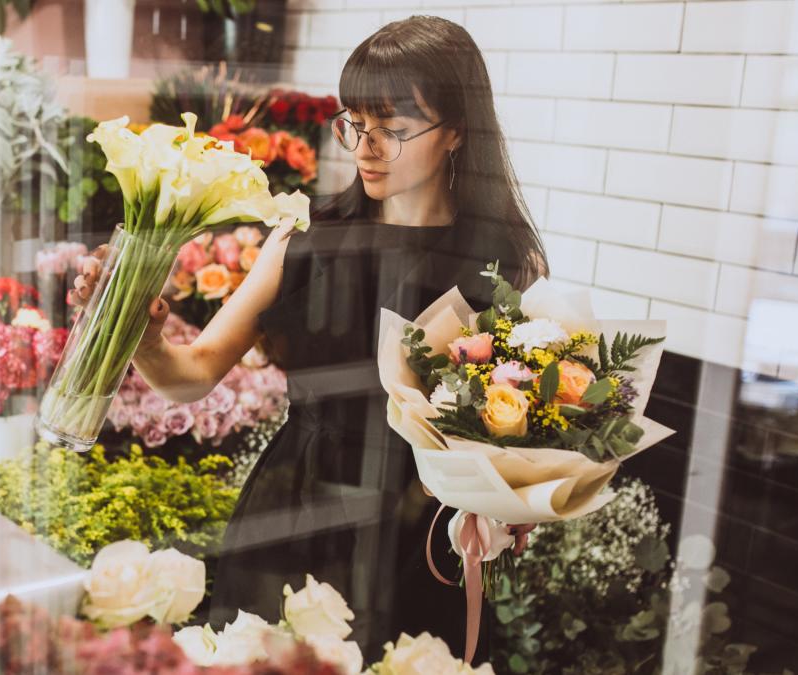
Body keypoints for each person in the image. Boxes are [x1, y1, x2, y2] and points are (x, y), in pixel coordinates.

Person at [71, 16, 548, 660]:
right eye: (354, 123)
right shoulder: (304, 234)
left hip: (419, 528)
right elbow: (193, 373)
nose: (365, 149)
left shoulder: (506, 262)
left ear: (458, 131)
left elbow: (518, 420)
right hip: (296, 510)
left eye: (393, 130)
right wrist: (142, 333)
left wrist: (514, 496)